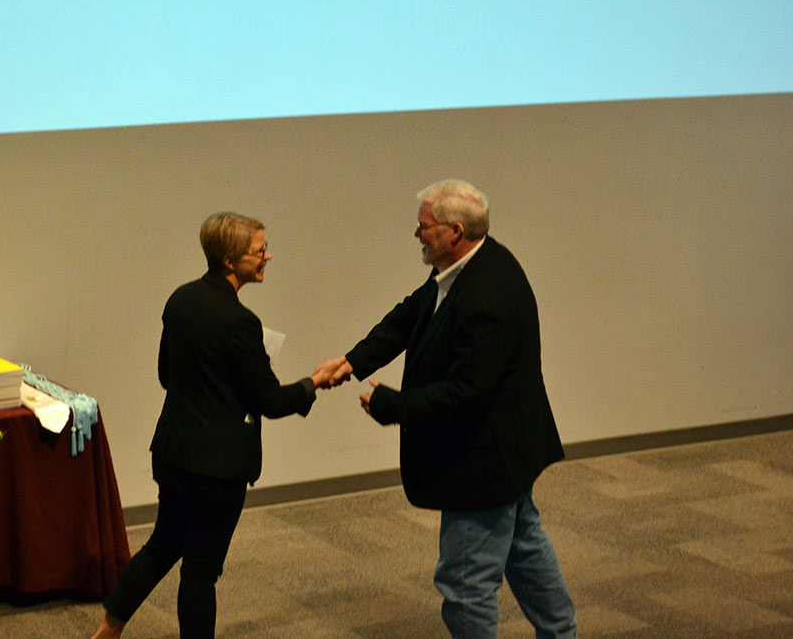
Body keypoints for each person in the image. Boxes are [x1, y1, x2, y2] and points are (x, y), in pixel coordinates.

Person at [316, 179, 577, 638]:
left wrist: (391, 404)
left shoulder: (487, 296)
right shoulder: (468, 266)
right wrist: (354, 361)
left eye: (424, 227)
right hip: (504, 449)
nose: (417, 235)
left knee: (464, 584)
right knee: (524, 546)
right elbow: (411, 313)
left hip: (483, 459)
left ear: (454, 231)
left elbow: (465, 393)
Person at [92, 212, 331, 639]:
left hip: (173, 452)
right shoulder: (241, 323)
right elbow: (271, 401)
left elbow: (167, 376)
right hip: (216, 470)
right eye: (260, 251)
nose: (268, 256)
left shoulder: (180, 299)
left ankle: (107, 631)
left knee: (163, 544)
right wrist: (314, 383)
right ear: (229, 260)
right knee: (201, 571)